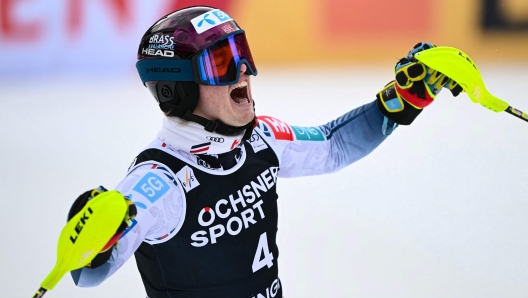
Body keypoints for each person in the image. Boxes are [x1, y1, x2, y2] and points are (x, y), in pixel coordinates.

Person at [67, 5, 462, 298]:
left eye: (241, 52)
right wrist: (92, 234)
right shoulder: (158, 183)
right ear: (178, 88)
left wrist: (404, 99)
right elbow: (87, 273)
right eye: (222, 62)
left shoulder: (260, 138)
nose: (243, 70)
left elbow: (332, 145)